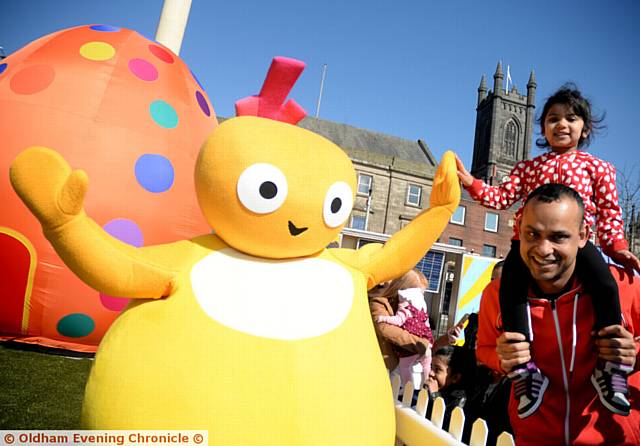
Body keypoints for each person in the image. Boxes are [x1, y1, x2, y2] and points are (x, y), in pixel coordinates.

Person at [457, 84, 640, 418]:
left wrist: (618, 247)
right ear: (541, 127)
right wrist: (470, 182)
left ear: (585, 128)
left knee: (604, 284)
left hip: (579, 246)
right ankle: (526, 370)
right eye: (553, 118)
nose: (561, 124)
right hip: (523, 245)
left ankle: (610, 366)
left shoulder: (597, 168)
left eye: (571, 118)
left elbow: (611, 211)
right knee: (510, 287)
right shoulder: (528, 169)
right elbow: (500, 198)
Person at [477, 184, 640, 445]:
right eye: (533, 235)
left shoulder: (626, 286)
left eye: (558, 237)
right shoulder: (495, 295)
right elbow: (483, 348)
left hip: (616, 438)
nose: (543, 249)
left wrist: (633, 354)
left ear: (583, 235)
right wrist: (502, 359)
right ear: (520, 231)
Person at [376, 286, 434, 388]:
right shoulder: (421, 312)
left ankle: (407, 386)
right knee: (426, 365)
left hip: (410, 351)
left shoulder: (404, 310)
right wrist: (426, 343)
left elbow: (398, 320)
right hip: (427, 345)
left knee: (404, 367)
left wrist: (384, 318)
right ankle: (427, 384)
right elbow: (427, 326)